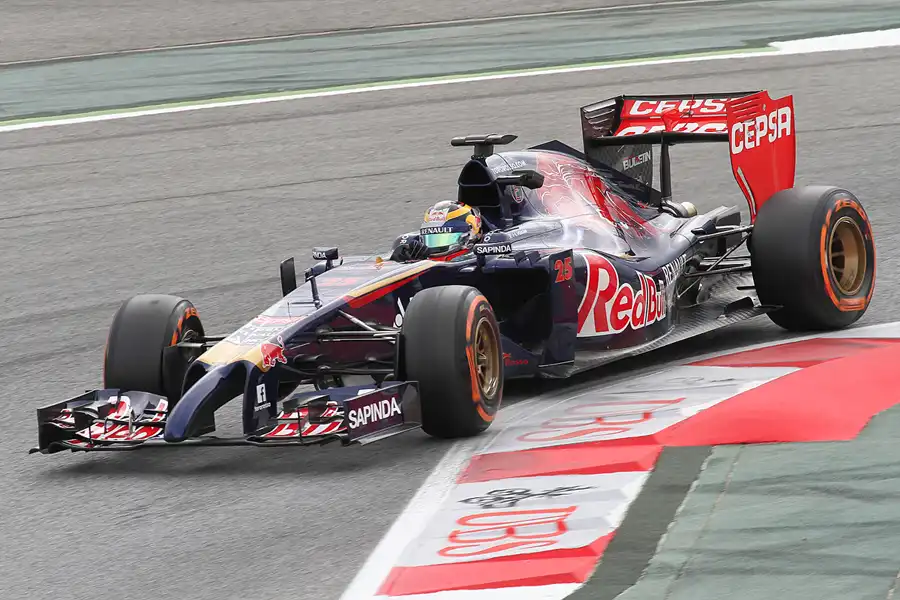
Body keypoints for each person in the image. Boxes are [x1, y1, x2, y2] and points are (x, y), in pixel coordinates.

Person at [390, 200, 485, 262]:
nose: (436, 247)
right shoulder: (419, 253)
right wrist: (400, 258)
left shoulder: (482, 254)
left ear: (470, 235)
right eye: (432, 239)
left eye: (445, 238)